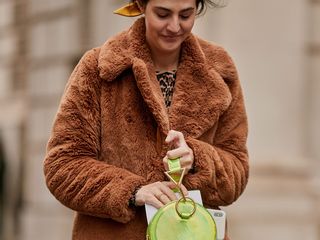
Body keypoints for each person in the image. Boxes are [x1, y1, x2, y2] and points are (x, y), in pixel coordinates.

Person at [43, 0, 249, 239]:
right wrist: (133, 191)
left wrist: (196, 158)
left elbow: (237, 173)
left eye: (185, 15)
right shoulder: (98, 67)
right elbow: (62, 167)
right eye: (163, 14)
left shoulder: (220, 69)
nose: (174, 26)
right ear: (141, 6)